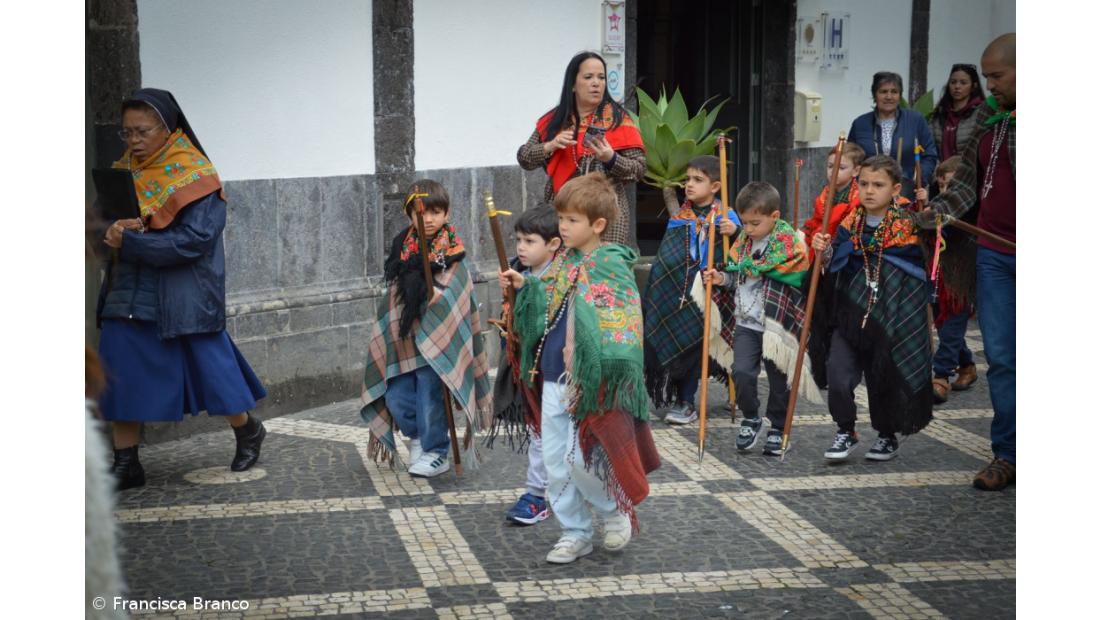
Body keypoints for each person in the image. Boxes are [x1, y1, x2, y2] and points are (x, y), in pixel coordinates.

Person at [96, 88, 268, 490]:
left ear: (166, 128)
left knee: (212, 371)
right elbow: (102, 225)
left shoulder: (198, 177)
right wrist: (107, 230)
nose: (133, 141)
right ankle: (126, 463)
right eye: (127, 133)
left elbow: (195, 241)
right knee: (120, 369)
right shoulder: (125, 171)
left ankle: (247, 431)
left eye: (142, 132)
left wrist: (132, 242)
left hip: (184, 292)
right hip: (129, 288)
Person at [501, 172, 660, 564]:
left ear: (597, 225)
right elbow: (545, 306)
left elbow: (624, 321)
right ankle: (575, 532)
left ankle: (612, 511)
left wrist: (602, 371)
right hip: (554, 375)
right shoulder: (562, 263)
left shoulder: (610, 265)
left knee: (581, 457)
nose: (563, 226)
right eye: (561, 218)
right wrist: (526, 287)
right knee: (556, 463)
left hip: (592, 382)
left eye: (571, 220)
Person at [916, 34, 1015, 492]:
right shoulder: (988, 126)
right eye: (988, 75)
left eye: (997, 75)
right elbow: (965, 190)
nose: (989, 85)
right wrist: (930, 214)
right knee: (1001, 359)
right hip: (995, 256)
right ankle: (1007, 454)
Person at [359, 180, 492, 478]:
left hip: (437, 341)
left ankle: (437, 451)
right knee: (396, 394)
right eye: (421, 212)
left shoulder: (453, 251)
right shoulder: (401, 249)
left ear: (446, 214)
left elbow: (457, 293)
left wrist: (438, 301)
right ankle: (417, 438)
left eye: (436, 211)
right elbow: (393, 296)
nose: (428, 219)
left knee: (430, 395)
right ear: (409, 215)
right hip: (406, 340)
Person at [810, 156, 933, 462]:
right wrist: (823, 253)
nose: (868, 191)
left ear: (895, 189)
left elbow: (920, 270)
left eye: (878, 185)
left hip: (891, 314)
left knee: (884, 377)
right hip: (850, 313)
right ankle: (845, 430)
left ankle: (887, 435)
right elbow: (834, 266)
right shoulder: (849, 224)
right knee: (837, 375)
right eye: (863, 183)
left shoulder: (909, 225)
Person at [702, 182, 822, 456]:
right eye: (745, 223)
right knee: (741, 371)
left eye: (755, 223)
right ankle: (751, 417)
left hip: (776, 323)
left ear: (774, 217)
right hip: (746, 322)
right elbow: (736, 276)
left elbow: (796, 276)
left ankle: (779, 426)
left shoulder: (790, 245)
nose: (749, 229)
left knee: (779, 379)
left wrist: (764, 272)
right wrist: (721, 278)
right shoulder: (743, 243)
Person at [641, 155, 738, 425]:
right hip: (677, 295)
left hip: (714, 295)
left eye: (698, 180)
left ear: (716, 186)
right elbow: (667, 260)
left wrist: (735, 231)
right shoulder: (680, 218)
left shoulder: (727, 218)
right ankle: (678, 396)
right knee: (674, 334)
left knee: (698, 340)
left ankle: (687, 400)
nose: (689, 185)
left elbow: (737, 258)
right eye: (687, 179)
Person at [517, 51, 646, 245]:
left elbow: (638, 170)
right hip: (561, 211)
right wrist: (549, 146)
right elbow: (524, 158)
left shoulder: (618, 119)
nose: (596, 83)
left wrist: (611, 158)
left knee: (599, 271)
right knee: (562, 272)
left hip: (604, 214)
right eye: (588, 77)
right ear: (572, 84)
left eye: (601, 77)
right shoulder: (555, 120)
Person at [488, 207, 562, 525]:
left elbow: (553, 307)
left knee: (571, 436)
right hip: (532, 369)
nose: (520, 247)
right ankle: (535, 495)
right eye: (518, 239)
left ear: (554, 244)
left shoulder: (564, 276)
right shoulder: (519, 270)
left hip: (561, 367)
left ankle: (585, 491)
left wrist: (526, 289)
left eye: (530, 241)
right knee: (539, 432)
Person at [920, 157, 979, 404]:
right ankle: (967, 365)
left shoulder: (976, 214)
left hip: (961, 281)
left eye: (952, 187)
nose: (945, 193)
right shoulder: (935, 209)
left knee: (952, 326)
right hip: (938, 278)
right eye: (942, 187)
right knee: (945, 328)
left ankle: (941, 375)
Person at [848, 72, 939, 193]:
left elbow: (929, 154)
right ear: (875, 95)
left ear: (900, 95)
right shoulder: (860, 124)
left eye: (894, 92)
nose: (889, 96)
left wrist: (918, 180)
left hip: (906, 191)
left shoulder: (916, 120)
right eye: (883, 91)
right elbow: (850, 158)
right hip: (870, 191)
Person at [802, 142, 866, 263]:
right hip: (818, 241)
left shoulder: (857, 199)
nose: (833, 171)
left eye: (841, 168)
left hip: (839, 247)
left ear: (856, 171)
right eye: (830, 166)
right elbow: (816, 220)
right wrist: (807, 231)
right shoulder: (825, 193)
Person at [929, 64, 986, 162]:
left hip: (970, 174)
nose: (957, 86)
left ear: (974, 86)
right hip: (940, 174)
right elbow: (930, 148)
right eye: (953, 82)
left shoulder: (981, 113)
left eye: (963, 83)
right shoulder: (939, 113)